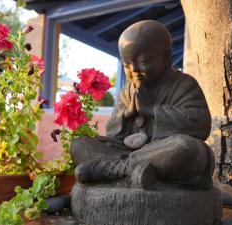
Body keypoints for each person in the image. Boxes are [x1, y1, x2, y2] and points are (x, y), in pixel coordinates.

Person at [70, 20, 215, 189]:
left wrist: (151, 110)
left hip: (163, 152)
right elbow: (112, 132)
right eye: (126, 65)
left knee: (186, 148)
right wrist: (126, 115)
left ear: (167, 58)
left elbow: (201, 124)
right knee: (79, 145)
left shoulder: (183, 85)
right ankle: (135, 176)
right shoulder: (127, 91)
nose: (134, 70)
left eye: (143, 62)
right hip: (132, 153)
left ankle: (114, 171)